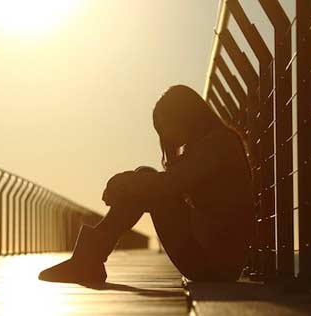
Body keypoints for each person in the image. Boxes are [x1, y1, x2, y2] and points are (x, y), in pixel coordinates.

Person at [38, 85, 254, 283]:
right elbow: (169, 183)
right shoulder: (208, 143)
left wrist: (124, 182)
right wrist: (131, 182)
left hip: (215, 264)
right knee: (145, 179)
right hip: (213, 256)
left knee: (147, 184)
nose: (164, 136)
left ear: (184, 115)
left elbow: (169, 184)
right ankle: (87, 260)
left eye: (164, 126)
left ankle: (86, 260)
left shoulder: (217, 143)